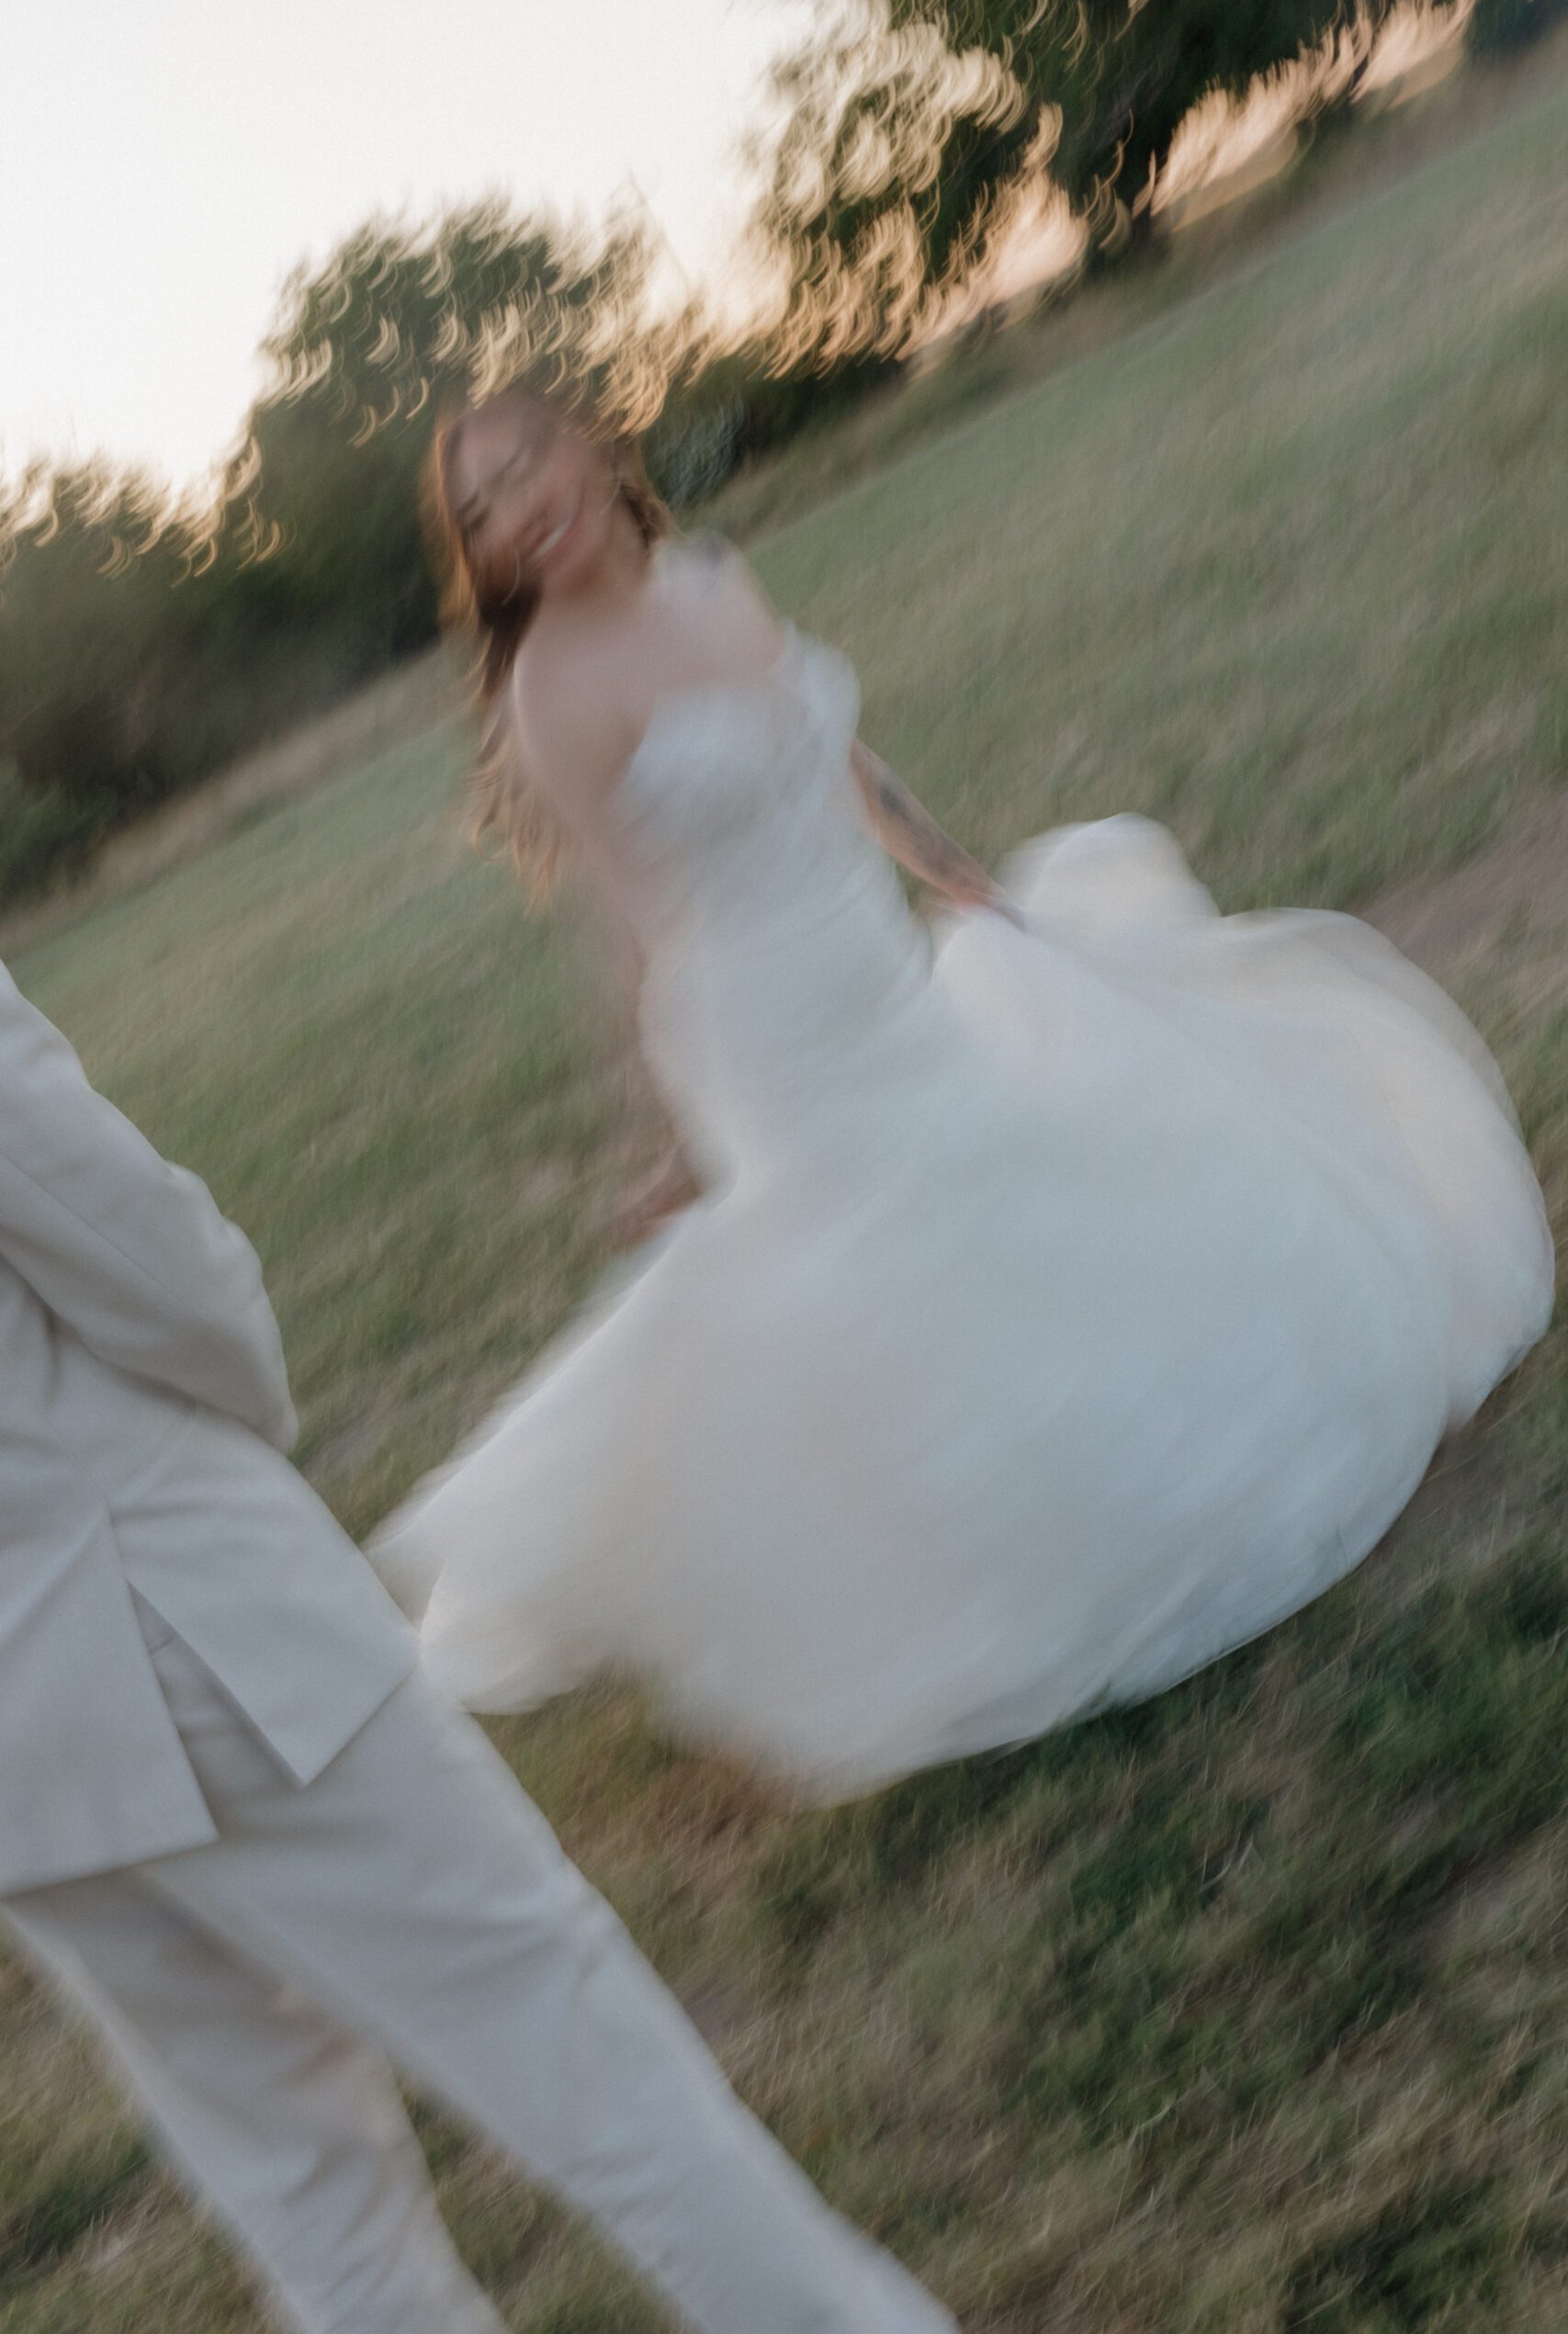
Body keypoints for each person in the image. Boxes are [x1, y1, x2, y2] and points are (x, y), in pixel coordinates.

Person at [372, 383, 1554, 1806]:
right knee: (881, 1252)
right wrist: (659, 1136)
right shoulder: (552, 686)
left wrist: (950, 871)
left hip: (876, 963)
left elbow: (828, 753)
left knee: (1012, 1182)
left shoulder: (713, 579)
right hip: (769, 1031)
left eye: (522, 466)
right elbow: (633, 937)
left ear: (588, 441)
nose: (516, 509)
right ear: (482, 552)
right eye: (480, 507)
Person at [0, 961, 957, 2334]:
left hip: (22, 1757)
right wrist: (226, 1436)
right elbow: (138, 1248)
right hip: (172, 1596)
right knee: (574, 2045)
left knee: (297, 2184)